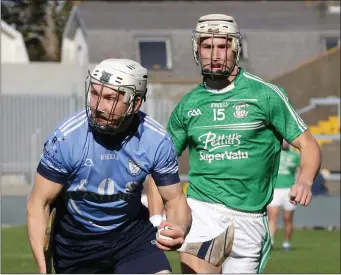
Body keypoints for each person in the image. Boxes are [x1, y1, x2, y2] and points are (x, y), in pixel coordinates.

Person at [146, 14, 321, 274]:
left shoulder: (265, 95)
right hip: (203, 211)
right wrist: (157, 219)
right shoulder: (188, 105)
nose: (215, 54)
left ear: (235, 49)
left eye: (222, 46)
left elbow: (308, 144)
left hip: (250, 218)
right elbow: (159, 166)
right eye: (207, 46)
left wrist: (305, 180)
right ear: (197, 50)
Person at [26, 58, 192, 274]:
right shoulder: (66, 139)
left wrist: (178, 228)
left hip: (131, 237)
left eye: (110, 98)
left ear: (135, 102)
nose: (98, 106)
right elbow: (38, 204)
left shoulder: (156, 140)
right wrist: (42, 268)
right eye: (94, 93)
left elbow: (175, 199)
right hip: (76, 246)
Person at [267, 140, 300, 251]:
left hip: (288, 189)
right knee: (272, 215)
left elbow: (299, 172)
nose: (285, 143)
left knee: (287, 218)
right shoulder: (273, 154)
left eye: (287, 141)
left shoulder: (295, 156)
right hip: (275, 188)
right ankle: (271, 241)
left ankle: (286, 241)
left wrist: (298, 187)